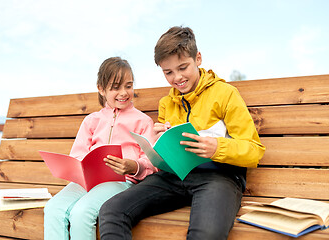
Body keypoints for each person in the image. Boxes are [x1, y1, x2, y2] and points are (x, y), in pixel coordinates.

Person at [99, 26, 266, 240]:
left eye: (183, 67)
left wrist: (217, 148)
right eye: (168, 72)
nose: (177, 77)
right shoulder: (167, 103)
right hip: (173, 177)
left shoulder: (225, 94)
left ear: (198, 58)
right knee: (112, 211)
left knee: (205, 234)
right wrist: (158, 144)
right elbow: (163, 159)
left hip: (218, 177)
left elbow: (254, 151)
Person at [44, 57, 157, 240]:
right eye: (115, 87)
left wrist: (134, 166)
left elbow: (151, 163)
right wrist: (80, 167)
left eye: (128, 86)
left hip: (121, 181)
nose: (123, 93)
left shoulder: (143, 121)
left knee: (81, 212)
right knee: (53, 208)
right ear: (101, 88)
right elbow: (78, 154)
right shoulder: (92, 120)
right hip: (87, 182)